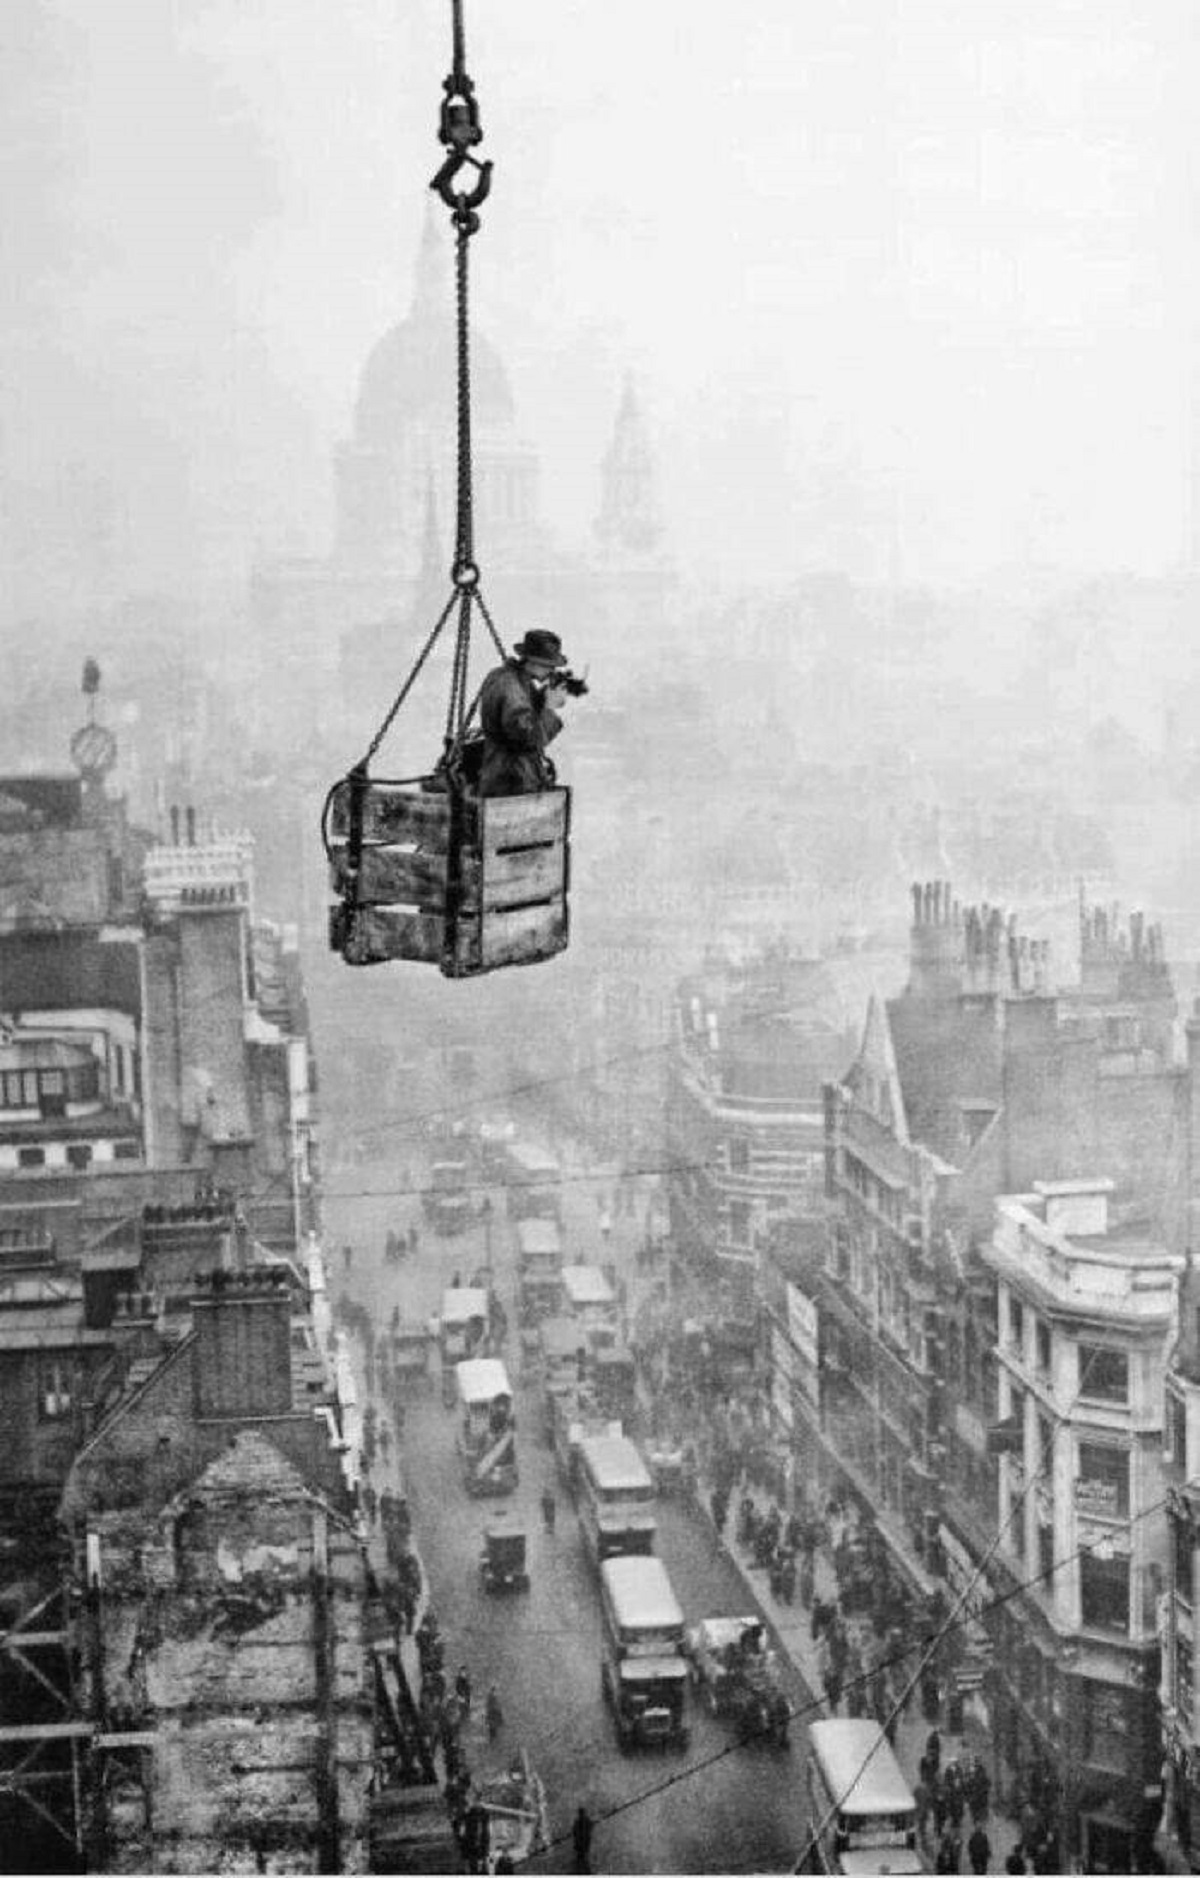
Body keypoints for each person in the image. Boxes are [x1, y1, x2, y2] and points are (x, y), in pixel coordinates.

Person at [478, 629, 573, 797]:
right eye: (549, 665)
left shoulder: (509, 678)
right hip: (511, 783)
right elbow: (527, 737)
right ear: (534, 661)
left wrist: (543, 698)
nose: (552, 671)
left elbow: (524, 713)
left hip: (509, 778)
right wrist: (549, 707)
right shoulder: (510, 685)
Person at [572, 1804, 595, 1874]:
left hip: (582, 1840)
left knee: (582, 1852)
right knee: (583, 1852)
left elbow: (574, 1831)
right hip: (582, 1840)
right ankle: (583, 1864)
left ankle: (582, 1864)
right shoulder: (584, 1820)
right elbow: (591, 1827)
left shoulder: (580, 1821)